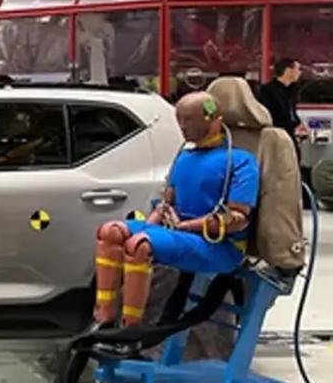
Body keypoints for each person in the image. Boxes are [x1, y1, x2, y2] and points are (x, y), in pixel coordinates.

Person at [93, 90, 259, 328]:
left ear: (214, 119)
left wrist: (185, 226)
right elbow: (166, 203)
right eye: (179, 119)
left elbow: (238, 218)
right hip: (180, 234)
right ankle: (104, 317)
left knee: (139, 245)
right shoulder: (184, 158)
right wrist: (150, 225)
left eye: (189, 119)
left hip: (220, 246)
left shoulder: (241, 161)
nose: (182, 126)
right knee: (110, 232)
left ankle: (130, 327)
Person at [258, 57, 308, 151]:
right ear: (288, 71)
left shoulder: (292, 90)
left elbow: (291, 111)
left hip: (290, 131)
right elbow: (267, 114)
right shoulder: (267, 90)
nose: (300, 73)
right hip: (276, 133)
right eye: (298, 69)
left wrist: (298, 124)